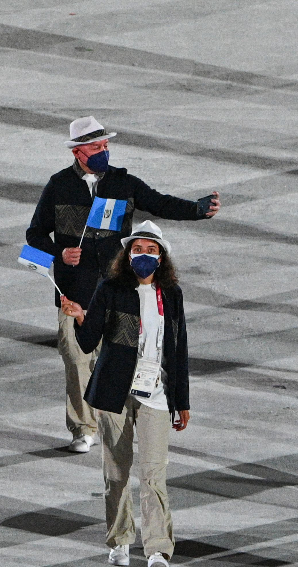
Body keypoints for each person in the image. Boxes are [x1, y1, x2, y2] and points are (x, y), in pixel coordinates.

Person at [27, 116, 220, 453]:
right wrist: (60, 253)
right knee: (76, 359)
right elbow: (35, 234)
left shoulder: (123, 183)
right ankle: (83, 428)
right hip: (74, 291)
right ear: (78, 151)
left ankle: (116, 422)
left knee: (117, 358)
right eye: (96, 147)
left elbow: (159, 202)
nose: (103, 152)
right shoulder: (58, 186)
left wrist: (198, 210)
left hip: (118, 290)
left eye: (106, 146)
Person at [64, 221, 189, 567]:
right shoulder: (110, 289)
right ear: (128, 254)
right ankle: (119, 541)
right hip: (114, 394)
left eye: (151, 250)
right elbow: (89, 342)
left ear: (161, 257)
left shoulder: (172, 294)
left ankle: (157, 549)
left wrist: (183, 401)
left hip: (157, 395)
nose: (144, 255)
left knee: (153, 474)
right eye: (138, 250)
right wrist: (78, 317)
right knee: (117, 472)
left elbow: (179, 350)